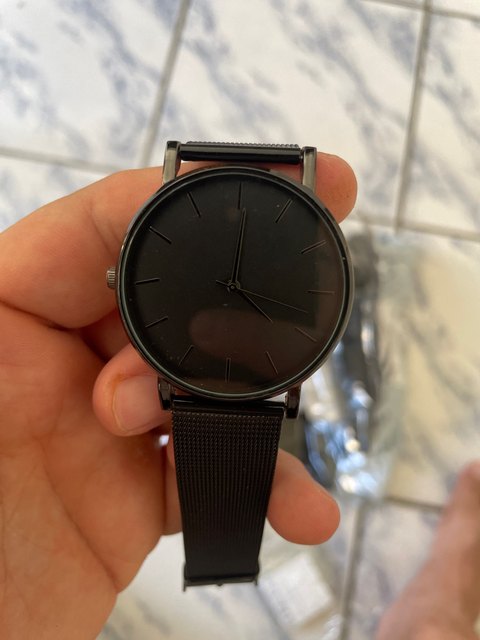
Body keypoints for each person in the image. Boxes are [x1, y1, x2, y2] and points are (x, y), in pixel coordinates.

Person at [0, 155, 478, 639]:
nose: (231, 286)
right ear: (117, 277)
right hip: (212, 371)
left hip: (239, 369)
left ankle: (432, 619)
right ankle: (435, 619)